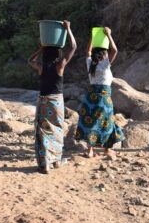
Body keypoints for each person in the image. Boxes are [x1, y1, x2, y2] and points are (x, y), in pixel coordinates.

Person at [28, 20, 77, 174]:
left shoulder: (41, 66)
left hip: (43, 100)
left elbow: (30, 61)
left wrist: (40, 49)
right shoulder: (60, 65)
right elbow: (73, 47)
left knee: (42, 132)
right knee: (56, 130)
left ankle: (45, 164)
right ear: (57, 54)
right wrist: (68, 29)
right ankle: (56, 160)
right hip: (56, 102)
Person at [75, 27, 125, 158]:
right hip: (103, 98)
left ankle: (90, 150)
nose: (108, 55)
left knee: (91, 122)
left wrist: (92, 36)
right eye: (106, 54)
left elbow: (87, 51)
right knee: (107, 122)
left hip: (90, 97)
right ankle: (107, 149)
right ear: (103, 56)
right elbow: (115, 50)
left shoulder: (90, 64)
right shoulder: (104, 64)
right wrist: (108, 35)